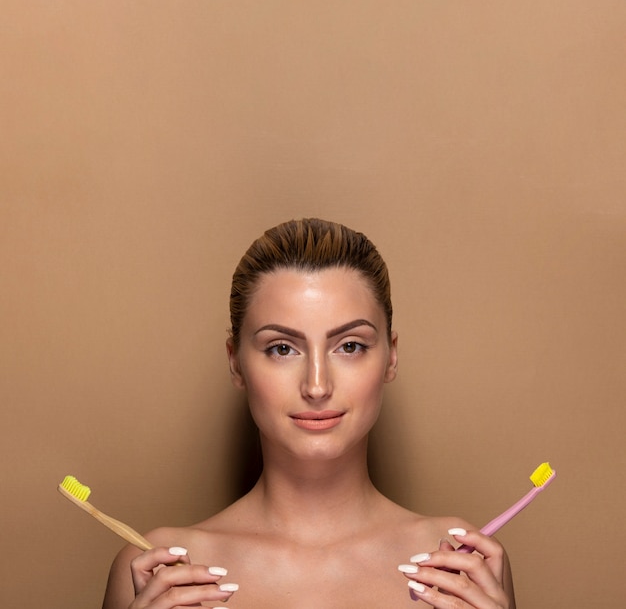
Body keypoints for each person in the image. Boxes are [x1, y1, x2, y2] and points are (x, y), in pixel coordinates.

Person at [103, 218, 516, 609]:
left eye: (350, 346)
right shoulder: (158, 570)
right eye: (282, 348)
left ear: (391, 357)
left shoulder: (462, 565)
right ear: (235, 363)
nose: (317, 386)